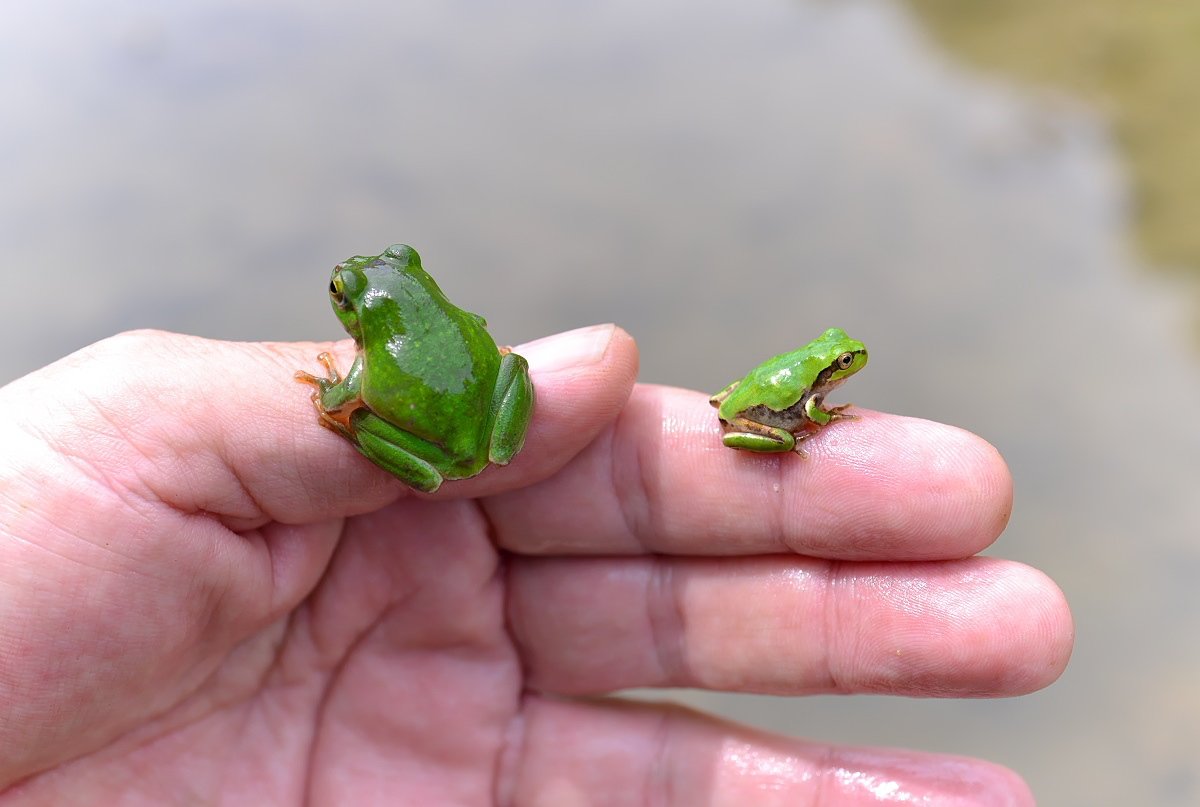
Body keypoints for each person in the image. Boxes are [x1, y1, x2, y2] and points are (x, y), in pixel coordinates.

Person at [0, 325, 1071, 804]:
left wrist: (338, 395)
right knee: (500, 380)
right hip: (493, 425)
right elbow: (498, 363)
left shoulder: (365, 347)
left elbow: (351, 396)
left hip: (434, 441)